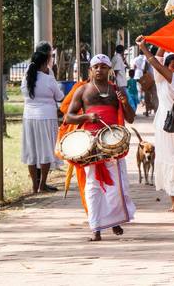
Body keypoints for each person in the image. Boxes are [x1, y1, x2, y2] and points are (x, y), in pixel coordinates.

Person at [63, 54, 136, 242]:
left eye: (103, 67)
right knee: (93, 185)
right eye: (96, 66)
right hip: (90, 145)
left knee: (117, 185)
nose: (99, 70)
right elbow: (69, 117)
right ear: (90, 69)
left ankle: (113, 220)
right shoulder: (83, 90)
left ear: (109, 70)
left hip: (113, 143)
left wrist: (125, 102)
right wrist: (86, 118)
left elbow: (131, 118)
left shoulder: (116, 90)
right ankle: (95, 227)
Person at [136, 36, 174, 213]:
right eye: (173, 66)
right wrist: (164, 39)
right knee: (168, 161)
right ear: (166, 67)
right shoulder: (160, 79)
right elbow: (156, 59)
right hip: (164, 124)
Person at [20, 50, 64, 193]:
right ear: (46, 62)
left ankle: (34, 185)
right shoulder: (48, 79)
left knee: (31, 151)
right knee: (46, 150)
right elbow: (60, 96)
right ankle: (42, 184)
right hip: (46, 117)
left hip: (29, 118)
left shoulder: (26, 78)